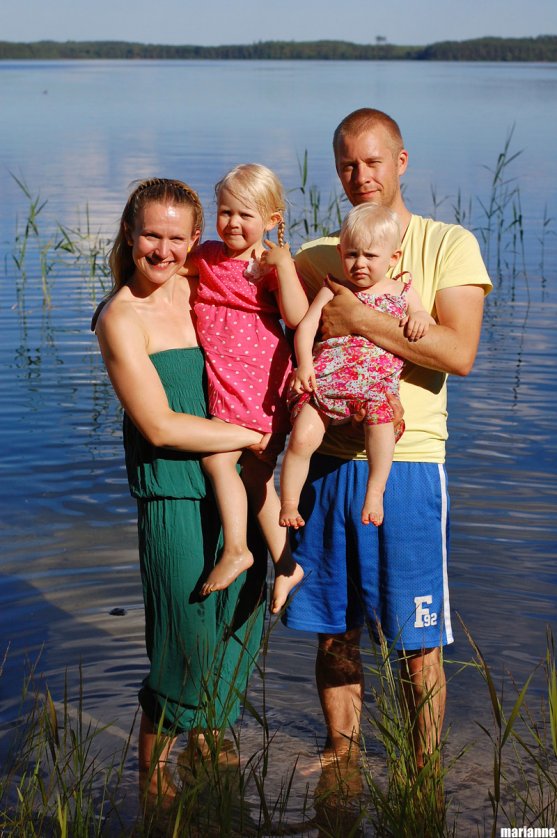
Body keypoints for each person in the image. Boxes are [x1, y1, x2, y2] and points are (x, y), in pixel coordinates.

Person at [283, 108, 492, 769]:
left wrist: (357, 317)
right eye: (346, 164)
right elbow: (241, 299)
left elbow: (457, 352)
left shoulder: (447, 244)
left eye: (372, 161)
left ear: (400, 161)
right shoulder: (317, 255)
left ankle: (420, 772)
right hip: (323, 465)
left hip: (404, 464)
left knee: (415, 637)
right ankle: (340, 759)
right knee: (331, 629)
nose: (359, 175)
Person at [94, 177, 268, 799]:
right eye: (150, 235)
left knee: (238, 626)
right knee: (184, 639)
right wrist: (248, 435)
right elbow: (160, 426)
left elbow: (274, 300)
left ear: (197, 239)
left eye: (176, 237)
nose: (162, 251)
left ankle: (212, 756)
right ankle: (151, 782)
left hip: (240, 488)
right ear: (129, 234)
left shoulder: (202, 284)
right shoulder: (120, 317)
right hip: (173, 490)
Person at [187, 163, 307, 613]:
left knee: (218, 458)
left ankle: (237, 548)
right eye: (225, 212)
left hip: (261, 383)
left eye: (246, 215)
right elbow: (175, 273)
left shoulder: (269, 265)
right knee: (257, 481)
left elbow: (294, 318)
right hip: (228, 380)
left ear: (273, 221)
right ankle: (287, 563)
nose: (233, 223)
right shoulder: (208, 256)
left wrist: (285, 266)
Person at [280, 202, 433, 529]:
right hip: (325, 385)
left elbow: (423, 317)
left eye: (370, 256)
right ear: (340, 252)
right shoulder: (333, 287)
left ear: (393, 258)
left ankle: (374, 492)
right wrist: (304, 364)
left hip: (374, 390)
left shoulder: (402, 292)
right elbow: (306, 326)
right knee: (302, 439)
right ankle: (290, 503)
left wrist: (419, 317)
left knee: (382, 429)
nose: (359, 263)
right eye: (351, 255)